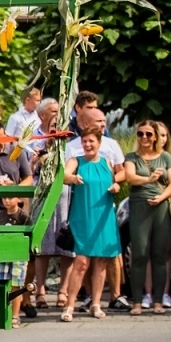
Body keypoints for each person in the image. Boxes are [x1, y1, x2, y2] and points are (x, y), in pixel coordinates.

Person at [59, 129, 123, 321]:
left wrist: (116, 186)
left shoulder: (106, 163)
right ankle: (69, 306)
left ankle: (96, 303)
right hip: (83, 215)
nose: (87, 145)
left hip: (103, 216)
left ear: (99, 143)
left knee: (102, 261)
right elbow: (64, 176)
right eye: (84, 141)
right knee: (81, 262)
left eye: (91, 141)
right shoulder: (76, 161)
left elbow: (117, 179)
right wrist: (73, 178)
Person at [122, 119, 171, 314]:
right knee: (139, 253)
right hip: (139, 206)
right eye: (140, 134)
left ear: (155, 136)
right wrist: (149, 179)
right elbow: (130, 177)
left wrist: (162, 196)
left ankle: (158, 301)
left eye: (148, 134)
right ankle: (137, 301)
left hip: (160, 207)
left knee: (160, 255)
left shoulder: (165, 157)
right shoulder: (132, 157)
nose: (144, 137)